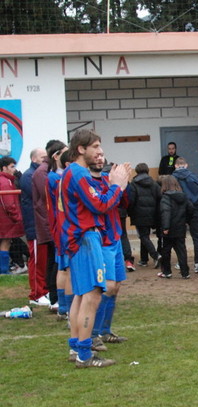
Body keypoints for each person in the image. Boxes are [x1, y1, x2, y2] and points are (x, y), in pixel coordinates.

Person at [60, 129, 130, 368]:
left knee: (81, 296)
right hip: (86, 239)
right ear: (81, 149)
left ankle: (77, 348)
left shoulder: (72, 173)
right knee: (91, 295)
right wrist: (118, 186)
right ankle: (84, 355)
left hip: (78, 239)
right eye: (96, 147)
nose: (100, 152)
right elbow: (100, 205)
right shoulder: (78, 174)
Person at [88, 149, 129, 347]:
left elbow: (122, 202)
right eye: (95, 154)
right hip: (101, 240)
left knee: (116, 287)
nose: (99, 157)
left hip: (115, 237)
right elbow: (101, 205)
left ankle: (105, 331)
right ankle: (93, 334)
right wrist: (116, 186)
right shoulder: (88, 183)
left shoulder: (108, 179)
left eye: (101, 154)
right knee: (107, 286)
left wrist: (124, 184)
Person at [32, 141, 65, 311]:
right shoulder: (44, 173)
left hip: (51, 223)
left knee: (56, 261)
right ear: (56, 155)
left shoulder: (47, 172)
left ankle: (57, 298)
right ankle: (54, 298)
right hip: (49, 224)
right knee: (54, 261)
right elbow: (48, 201)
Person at [21, 147, 50, 306]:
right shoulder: (29, 176)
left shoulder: (38, 174)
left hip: (42, 226)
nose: (45, 159)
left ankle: (44, 290)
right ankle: (36, 294)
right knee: (37, 260)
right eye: (42, 157)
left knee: (45, 261)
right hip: (35, 227)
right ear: (34, 159)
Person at [47, 146, 73, 320]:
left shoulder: (54, 176)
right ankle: (66, 307)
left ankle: (64, 307)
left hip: (60, 226)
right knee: (66, 268)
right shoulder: (56, 177)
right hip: (63, 226)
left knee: (63, 267)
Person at [173, 156, 198, 273]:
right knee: (196, 237)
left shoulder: (172, 179)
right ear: (186, 165)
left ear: (175, 166)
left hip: (180, 211)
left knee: (180, 238)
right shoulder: (194, 177)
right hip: (195, 209)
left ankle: (181, 262)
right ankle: (197, 263)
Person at [158, 175, 194, 279]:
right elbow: (191, 208)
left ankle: (167, 271)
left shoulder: (165, 197)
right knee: (181, 250)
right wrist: (186, 220)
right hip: (180, 227)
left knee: (166, 251)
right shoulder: (183, 196)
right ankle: (185, 272)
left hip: (169, 229)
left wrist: (165, 227)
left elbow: (166, 212)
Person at [128, 163, 162, 268]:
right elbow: (159, 198)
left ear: (137, 171)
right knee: (145, 236)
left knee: (143, 236)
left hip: (138, 214)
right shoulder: (154, 183)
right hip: (152, 214)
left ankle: (156, 255)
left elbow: (131, 200)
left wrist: (130, 212)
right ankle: (144, 259)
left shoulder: (134, 184)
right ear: (147, 170)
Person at [0, 156, 23, 275]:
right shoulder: (5, 182)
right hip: (6, 219)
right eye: (12, 166)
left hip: (4, 218)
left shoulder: (6, 180)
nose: (14, 169)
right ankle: (3, 271)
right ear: (4, 168)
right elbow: (8, 203)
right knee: (6, 243)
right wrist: (16, 217)